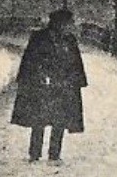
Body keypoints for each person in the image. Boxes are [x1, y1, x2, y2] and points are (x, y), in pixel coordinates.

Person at [11, 8, 87, 163]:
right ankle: (34, 153)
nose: (69, 27)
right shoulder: (40, 37)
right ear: (59, 23)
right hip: (42, 84)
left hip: (62, 85)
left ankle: (54, 154)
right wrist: (39, 76)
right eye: (68, 23)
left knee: (60, 120)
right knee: (38, 120)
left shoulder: (69, 40)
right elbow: (31, 60)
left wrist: (74, 81)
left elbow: (75, 62)